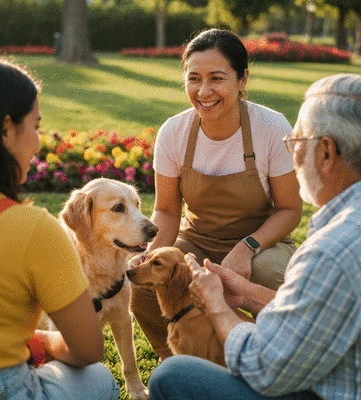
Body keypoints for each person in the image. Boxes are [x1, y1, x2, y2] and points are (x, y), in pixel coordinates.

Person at [148, 72, 361, 400]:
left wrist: (216, 304)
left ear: (327, 153)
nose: (293, 154)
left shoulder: (333, 250)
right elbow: (324, 314)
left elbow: (267, 369)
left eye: (298, 142)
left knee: (172, 376)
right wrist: (248, 296)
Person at [130, 28, 302, 360]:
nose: (204, 91)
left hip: (261, 242)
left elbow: (290, 210)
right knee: (142, 287)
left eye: (217, 78)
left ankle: (274, 361)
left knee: (271, 275)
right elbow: (166, 211)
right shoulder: (174, 132)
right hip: (195, 241)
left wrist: (247, 247)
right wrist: (152, 253)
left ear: (242, 79)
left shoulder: (272, 128)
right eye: (194, 79)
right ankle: (179, 366)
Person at [0, 54, 119, 399]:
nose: (37, 142)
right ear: (6, 129)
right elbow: (88, 349)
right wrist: (41, 342)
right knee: (98, 378)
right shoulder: (31, 228)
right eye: (34, 126)